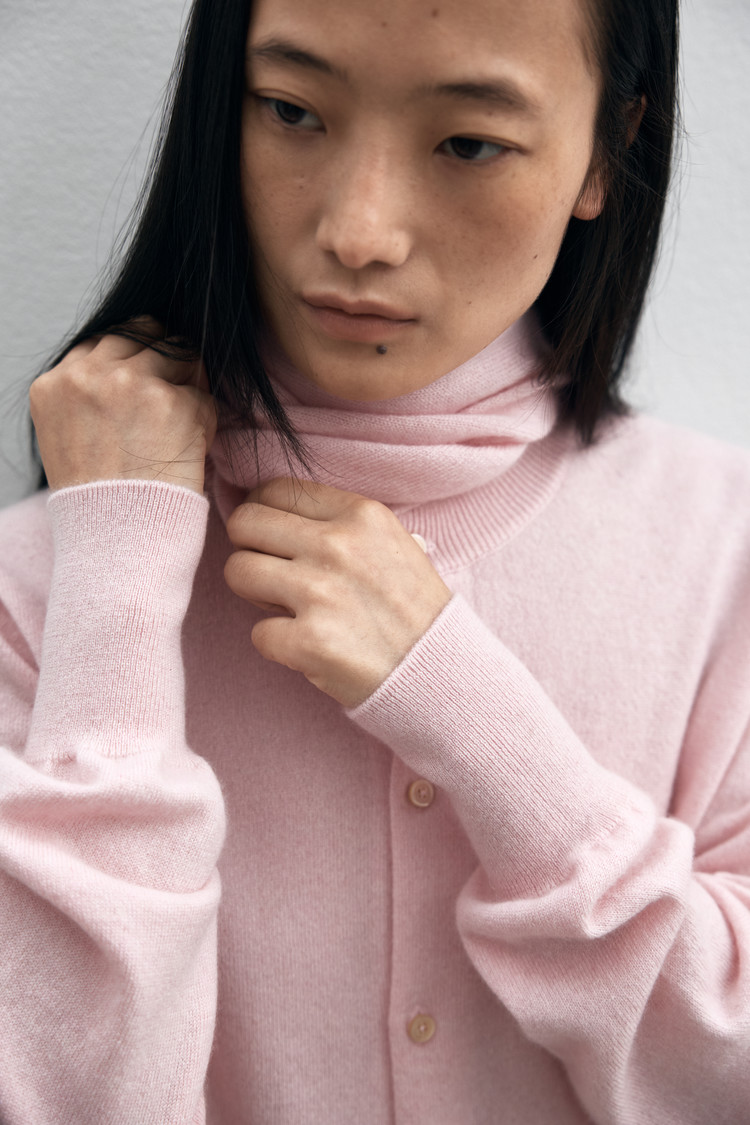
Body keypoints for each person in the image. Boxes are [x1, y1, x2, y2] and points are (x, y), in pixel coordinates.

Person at [1, 0, 749, 1121]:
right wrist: (116, 572)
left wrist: (476, 718)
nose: (359, 231)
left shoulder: (726, 545)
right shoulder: (47, 581)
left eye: (469, 142)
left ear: (608, 151)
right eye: (291, 111)